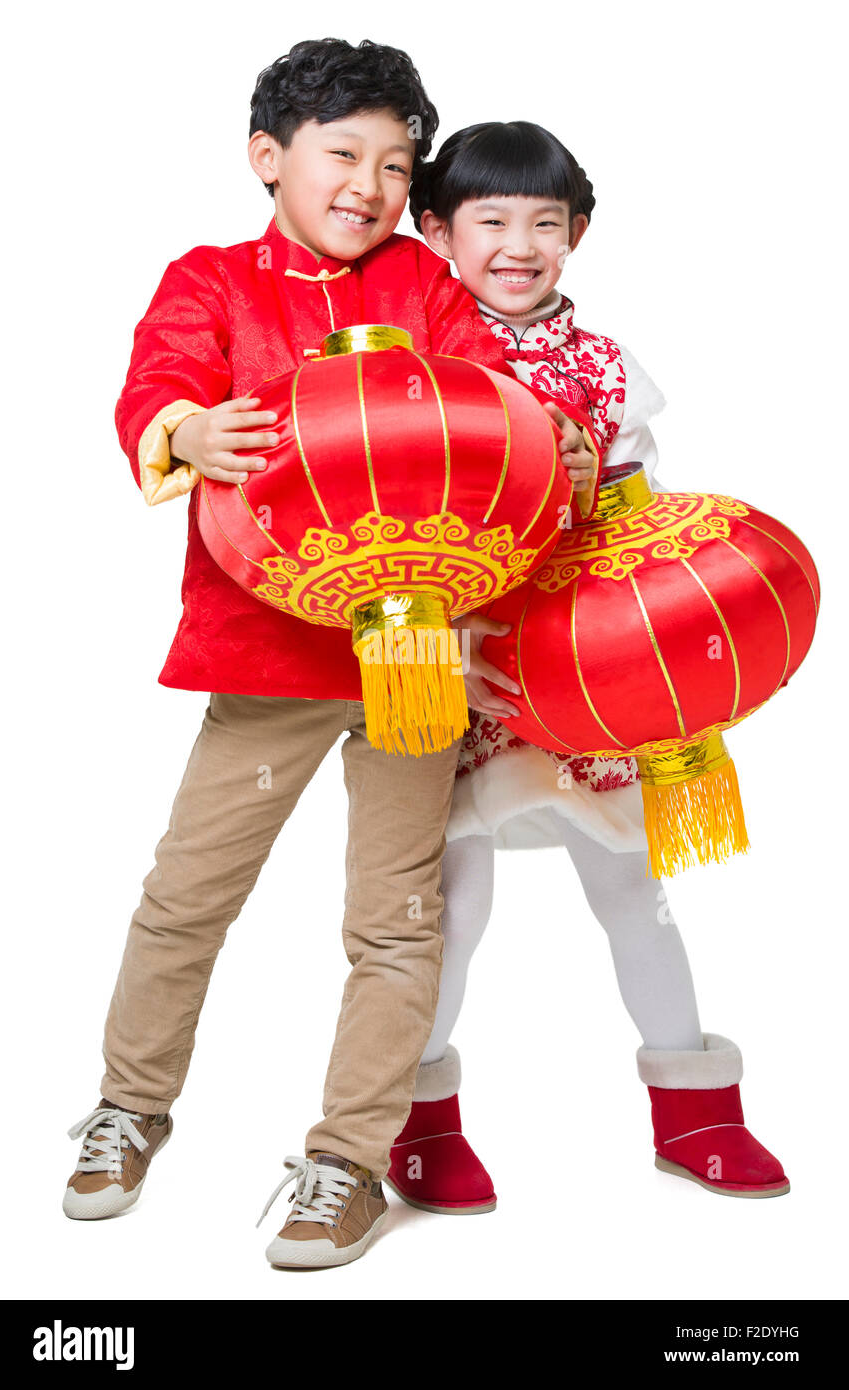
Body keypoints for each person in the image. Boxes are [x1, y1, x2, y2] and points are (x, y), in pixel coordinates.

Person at [62, 48, 596, 1271]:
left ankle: (346, 1161)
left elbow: (503, 396)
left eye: (395, 164)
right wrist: (186, 425)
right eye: (341, 154)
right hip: (268, 647)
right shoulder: (211, 281)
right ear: (270, 158)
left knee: (398, 917)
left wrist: (555, 440)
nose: (370, 183)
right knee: (189, 895)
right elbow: (159, 383)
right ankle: (127, 1107)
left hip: (413, 645)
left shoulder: (426, 283)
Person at [387, 121, 788, 1213]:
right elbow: (385, 521)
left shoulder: (608, 364)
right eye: (490, 222)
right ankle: (412, 1123)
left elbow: (634, 516)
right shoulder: (407, 357)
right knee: (451, 910)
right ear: (436, 230)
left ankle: (696, 1114)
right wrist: (435, 654)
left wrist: (658, 650)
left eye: (544, 224)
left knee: (633, 895)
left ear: (576, 233)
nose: (518, 246)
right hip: (459, 669)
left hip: (588, 671)